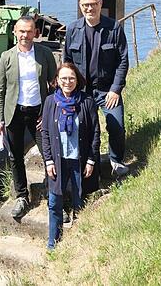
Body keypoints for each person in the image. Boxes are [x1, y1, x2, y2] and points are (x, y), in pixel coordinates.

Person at [0, 15, 57, 219]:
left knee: (49, 153)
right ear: (15, 32)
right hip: (15, 113)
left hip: (38, 113)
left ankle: (51, 192)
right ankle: (21, 196)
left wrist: (48, 113)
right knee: (15, 157)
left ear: (35, 33)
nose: (25, 35)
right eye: (22, 31)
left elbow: (54, 86)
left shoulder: (45, 54)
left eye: (29, 31)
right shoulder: (6, 57)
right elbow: (0, 90)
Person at [63, 0, 130, 177]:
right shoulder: (72, 30)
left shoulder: (114, 28)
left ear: (100, 4)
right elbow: (66, 61)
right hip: (81, 91)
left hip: (107, 90)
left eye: (93, 4)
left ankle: (116, 161)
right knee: (77, 127)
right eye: (85, 5)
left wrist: (116, 90)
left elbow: (123, 60)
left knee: (116, 126)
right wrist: (67, 89)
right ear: (80, 6)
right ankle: (78, 162)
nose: (89, 8)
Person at [41, 62, 100, 251]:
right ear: (57, 80)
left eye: (71, 78)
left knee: (79, 201)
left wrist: (91, 159)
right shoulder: (51, 102)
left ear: (77, 80)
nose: (68, 82)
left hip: (79, 161)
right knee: (54, 202)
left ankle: (79, 242)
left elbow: (95, 133)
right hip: (57, 162)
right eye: (64, 78)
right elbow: (45, 133)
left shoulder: (87, 102)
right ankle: (53, 243)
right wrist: (48, 160)